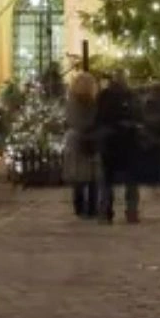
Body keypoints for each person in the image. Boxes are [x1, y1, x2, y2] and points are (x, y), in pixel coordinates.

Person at [93, 68, 142, 224]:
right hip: (128, 142)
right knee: (131, 180)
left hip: (109, 142)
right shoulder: (131, 96)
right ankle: (131, 212)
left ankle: (105, 213)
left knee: (107, 181)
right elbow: (139, 116)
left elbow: (98, 118)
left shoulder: (104, 96)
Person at [62, 71, 99, 219]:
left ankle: (79, 207)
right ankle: (92, 208)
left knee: (78, 177)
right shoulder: (95, 102)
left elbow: (69, 119)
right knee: (93, 176)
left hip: (75, 139)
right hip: (92, 138)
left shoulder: (71, 102)